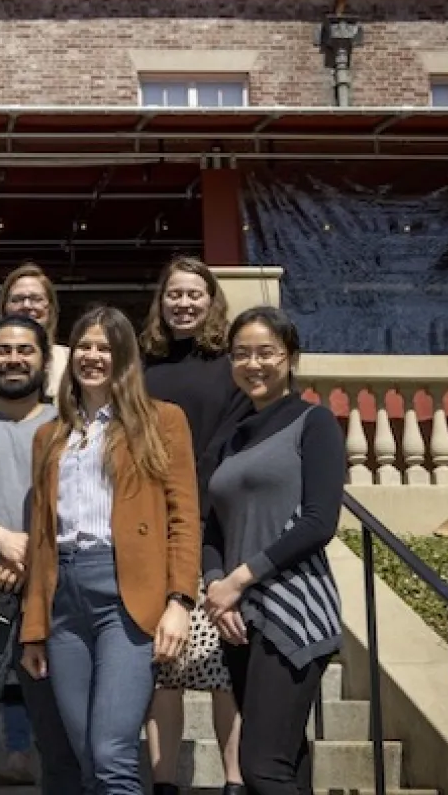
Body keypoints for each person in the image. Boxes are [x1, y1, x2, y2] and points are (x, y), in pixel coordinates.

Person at [19, 305, 201, 795]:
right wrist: (34, 629)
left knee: (111, 753)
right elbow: (41, 537)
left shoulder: (162, 421)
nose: (93, 356)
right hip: (63, 600)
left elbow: (184, 518)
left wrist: (180, 601)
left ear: (124, 358)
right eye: (84, 346)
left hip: (126, 596)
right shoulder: (49, 435)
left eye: (105, 347)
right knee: (85, 756)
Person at [202, 307, 344, 795]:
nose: (253, 364)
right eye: (241, 354)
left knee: (261, 766)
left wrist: (240, 579)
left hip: (292, 608)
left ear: (290, 357)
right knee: (285, 760)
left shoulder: (314, 422)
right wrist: (217, 589)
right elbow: (212, 528)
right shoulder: (232, 438)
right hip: (239, 617)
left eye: (266, 352)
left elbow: (319, 522)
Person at [140, 255, 252, 795]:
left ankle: (234, 782)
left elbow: (235, 436)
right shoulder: (142, 363)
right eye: (174, 294)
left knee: (223, 666)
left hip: (217, 525)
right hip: (154, 524)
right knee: (164, 668)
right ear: (160, 302)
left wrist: (194, 487)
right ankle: (164, 784)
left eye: (193, 294)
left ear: (211, 301)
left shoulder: (230, 364)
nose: (183, 303)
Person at [0, 315, 79, 795]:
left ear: (45, 361)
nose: (13, 359)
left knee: (58, 731)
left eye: (25, 350)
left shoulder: (69, 428)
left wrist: (31, 558)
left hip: (56, 596)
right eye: (2, 350)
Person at [0, 262, 71, 411]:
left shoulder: (70, 363)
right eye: (17, 299)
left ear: (51, 308)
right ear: (4, 308)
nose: (27, 305)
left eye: (36, 299)